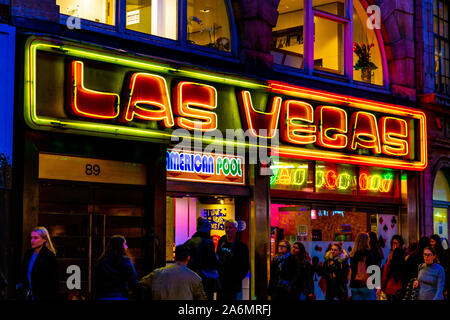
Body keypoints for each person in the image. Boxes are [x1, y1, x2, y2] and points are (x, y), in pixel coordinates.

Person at [139, 244, 207, 300]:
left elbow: (140, 285)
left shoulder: (158, 273)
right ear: (188, 258)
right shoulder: (195, 278)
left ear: (175, 257)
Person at [184, 217, 220, 300]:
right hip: (206, 279)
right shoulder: (208, 243)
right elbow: (213, 262)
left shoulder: (188, 242)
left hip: (191, 278)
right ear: (207, 230)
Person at [19, 226, 59, 300]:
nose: (32, 240)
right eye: (31, 238)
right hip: (29, 295)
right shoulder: (28, 254)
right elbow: (24, 274)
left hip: (43, 295)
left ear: (44, 239)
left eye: (36, 238)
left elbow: (53, 281)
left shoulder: (49, 256)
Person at [95, 235, 138, 300]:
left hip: (103, 296)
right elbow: (133, 280)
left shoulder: (102, 261)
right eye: (125, 244)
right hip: (121, 296)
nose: (127, 246)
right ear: (120, 246)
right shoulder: (126, 261)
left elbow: (97, 281)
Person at [216, 219, 249, 300]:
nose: (228, 230)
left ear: (236, 229)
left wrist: (236, 279)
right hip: (221, 282)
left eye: (230, 227)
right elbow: (217, 257)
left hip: (233, 284)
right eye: (226, 227)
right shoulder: (221, 241)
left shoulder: (241, 246)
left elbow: (245, 266)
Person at [349, 232, 377, 300]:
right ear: (366, 241)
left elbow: (353, 270)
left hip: (354, 285)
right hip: (366, 285)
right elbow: (374, 270)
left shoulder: (352, 254)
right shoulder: (369, 254)